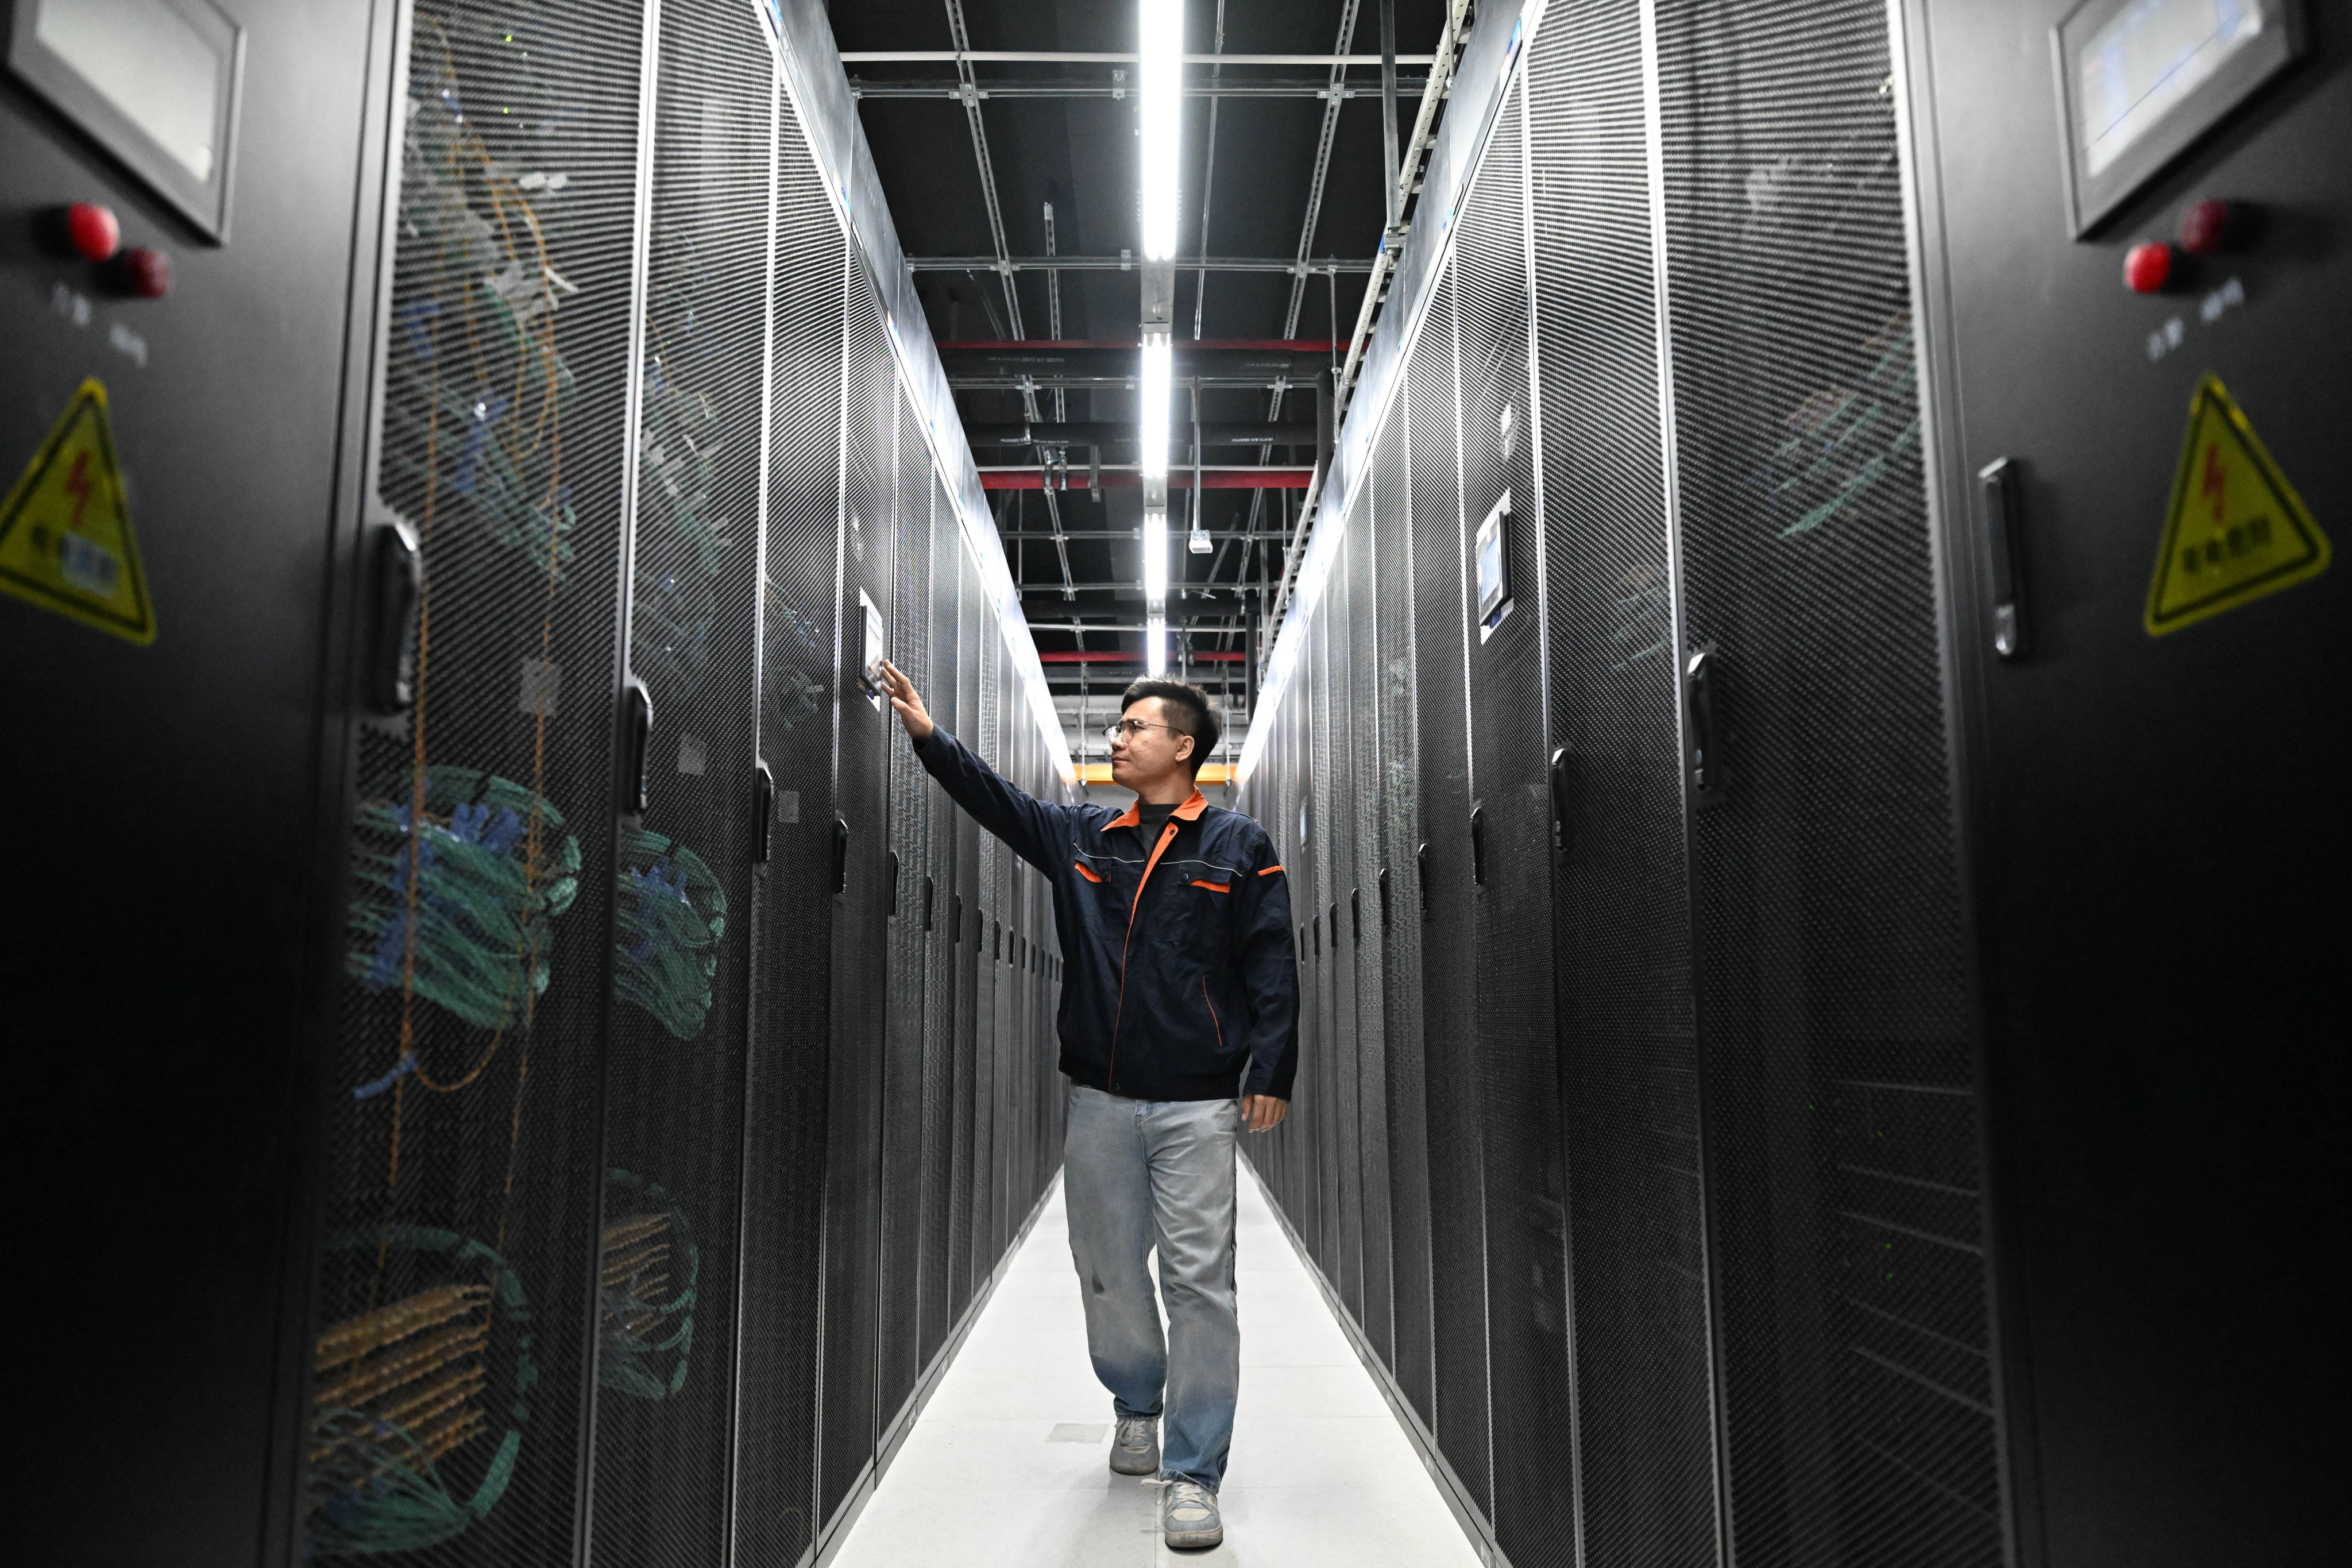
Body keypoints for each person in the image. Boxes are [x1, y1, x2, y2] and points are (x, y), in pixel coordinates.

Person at [876, 661, 1297, 1552]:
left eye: (1135, 727)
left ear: (1183, 748)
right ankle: (1137, 1403)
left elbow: (1270, 963)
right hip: (1100, 1097)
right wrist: (928, 736)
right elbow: (995, 802)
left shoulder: (1238, 845)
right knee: (1105, 1270)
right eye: (1116, 725)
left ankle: (1192, 1471)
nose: (1115, 736)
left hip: (1197, 1101)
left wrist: (1273, 1069)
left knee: (1201, 1285)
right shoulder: (1081, 833)